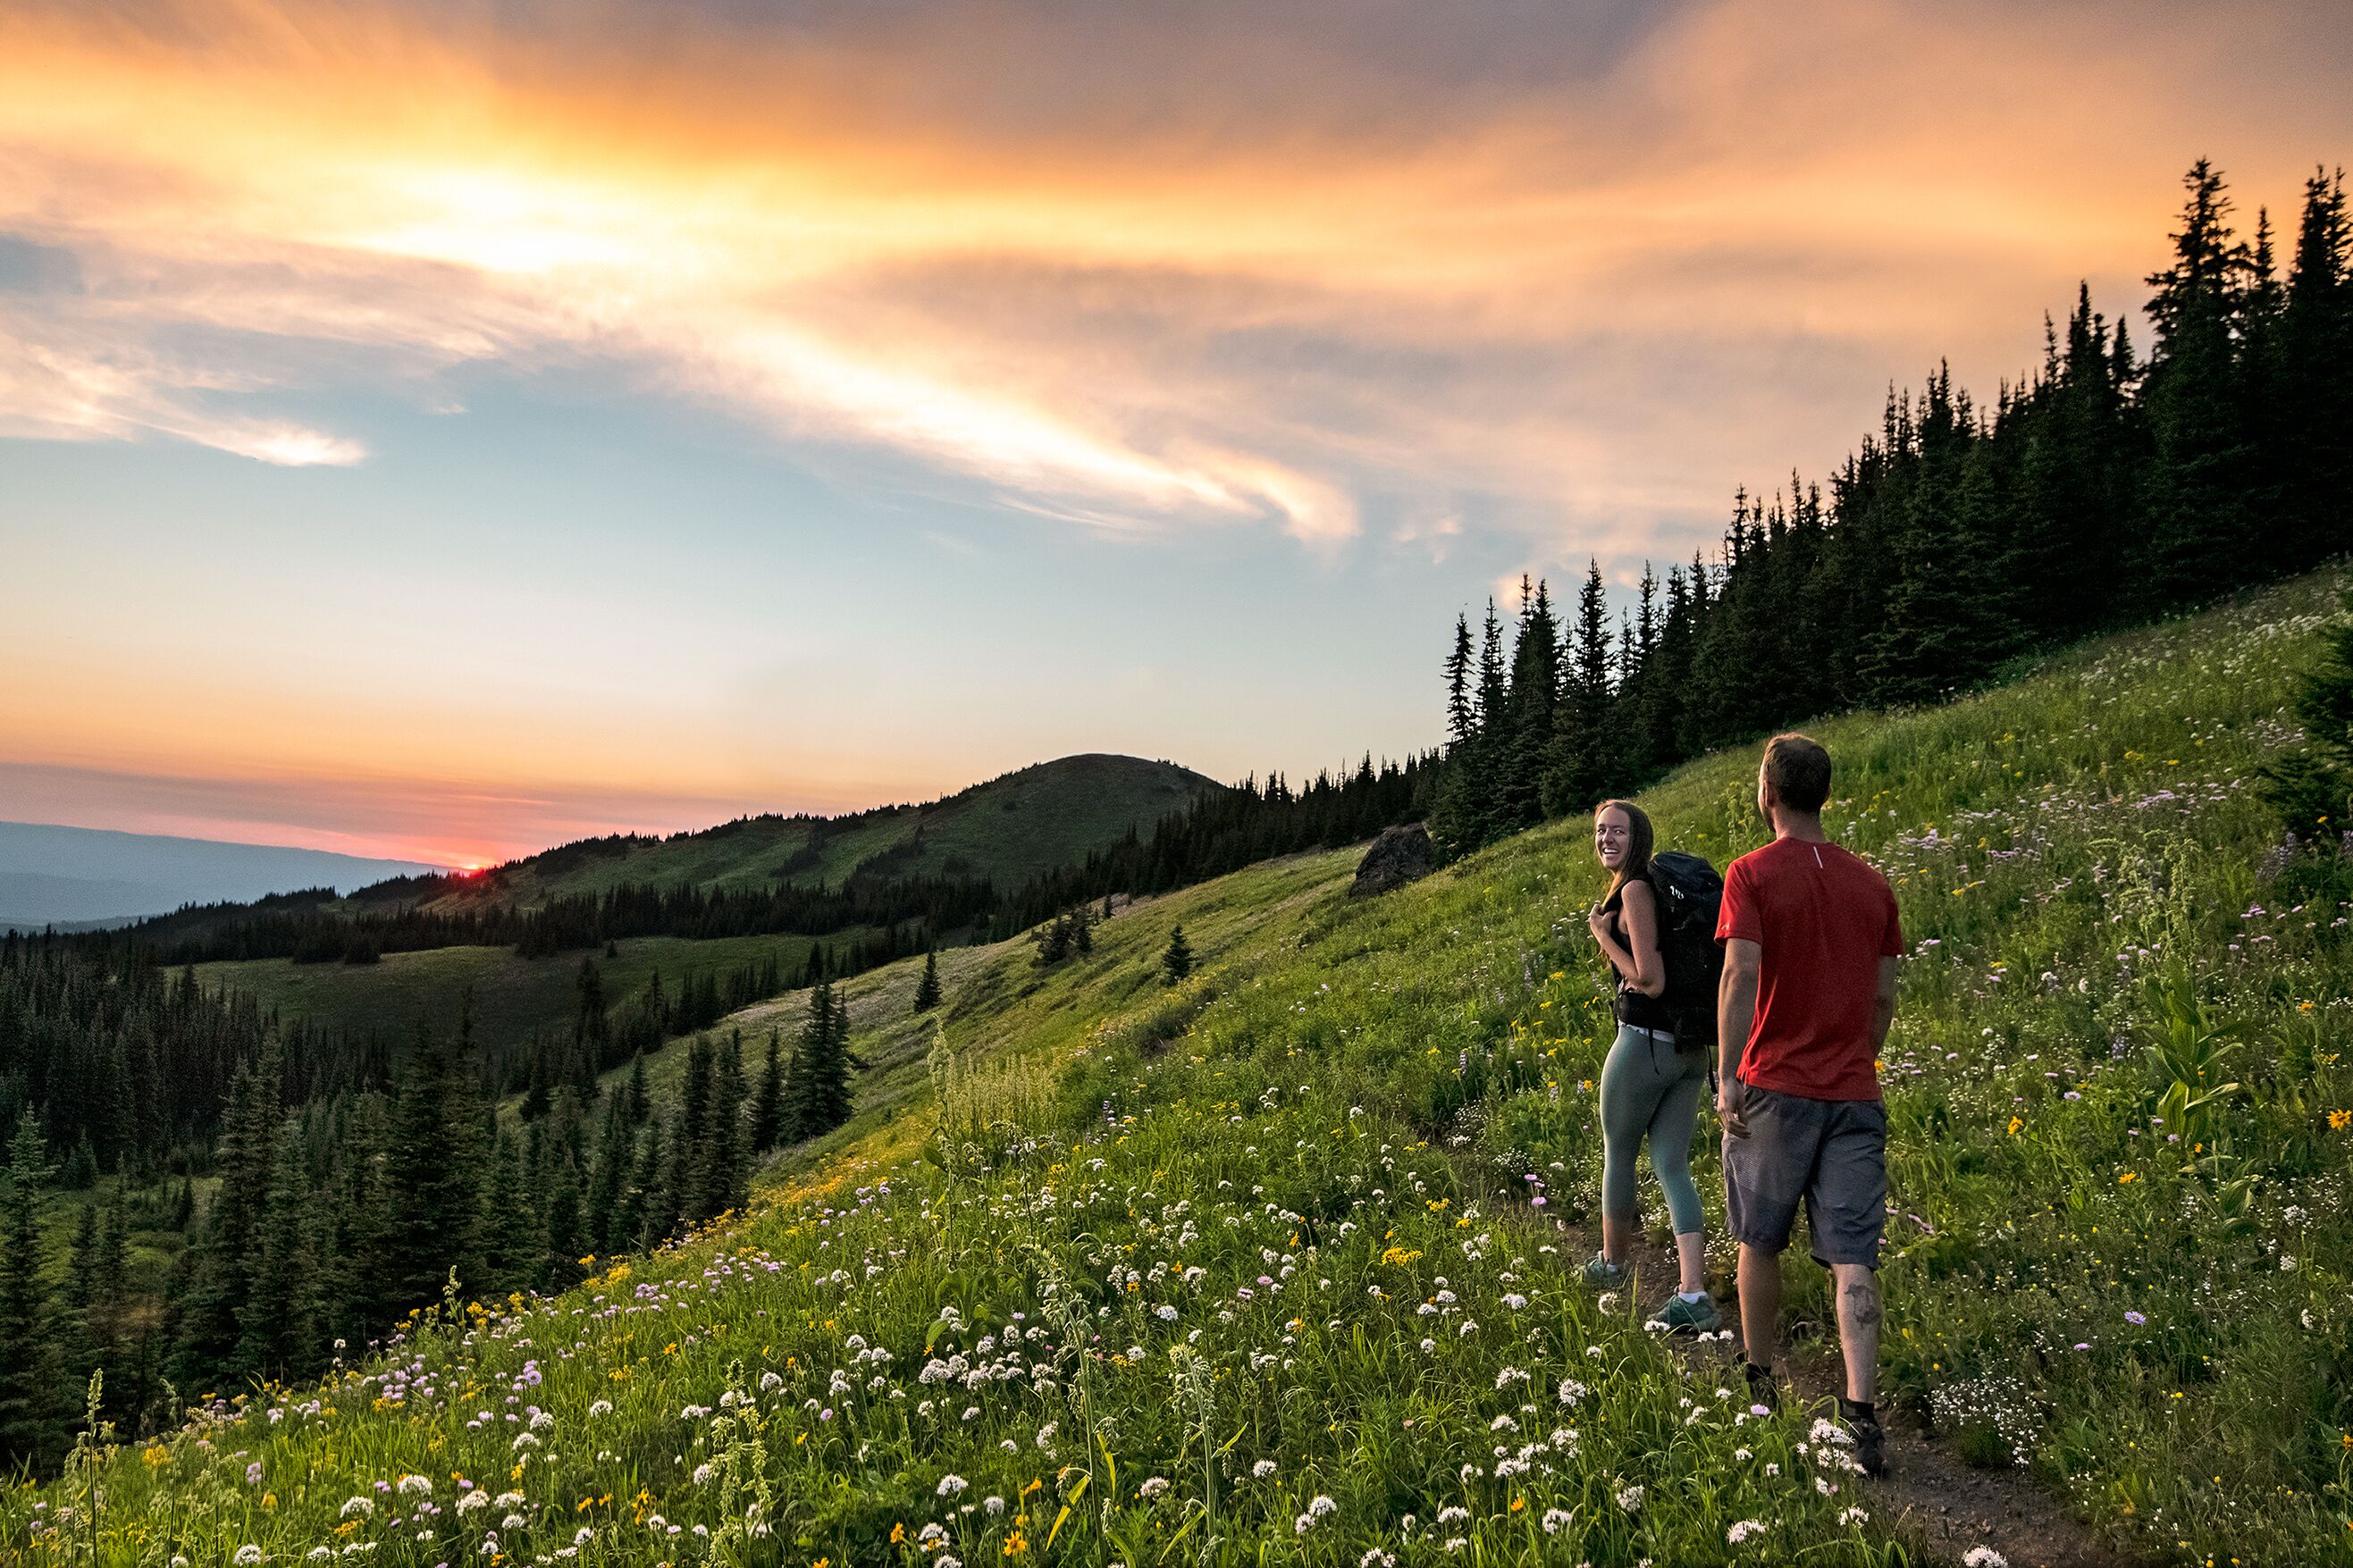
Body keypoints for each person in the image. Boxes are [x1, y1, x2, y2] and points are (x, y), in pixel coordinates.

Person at [1715, 733, 1900, 1476]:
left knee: (1759, 1238)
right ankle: (1861, 1412)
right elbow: (1883, 994)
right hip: (1853, 1090)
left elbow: (1739, 974)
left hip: (1774, 1085)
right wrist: (1861, 1051)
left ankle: (1759, 1377)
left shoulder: (1750, 874)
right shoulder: (1873, 885)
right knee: (1852, 1257)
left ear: (1767, 792)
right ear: (1823, 794)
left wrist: (1727, 1074)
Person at [1580, 800, 1719, 1333]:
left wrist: (1602, 935)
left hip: (1645, 1043)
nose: (1606, 839)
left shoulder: (1636, 890)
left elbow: (1649, 977)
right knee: (1672, 1164)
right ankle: (1694, 1293)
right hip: (1689, 1051)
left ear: (1638, 837)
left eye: (1616, 831)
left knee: (1618, 1151)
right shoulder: (1653, 889)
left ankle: (1613, 1265)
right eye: (1600, 831)